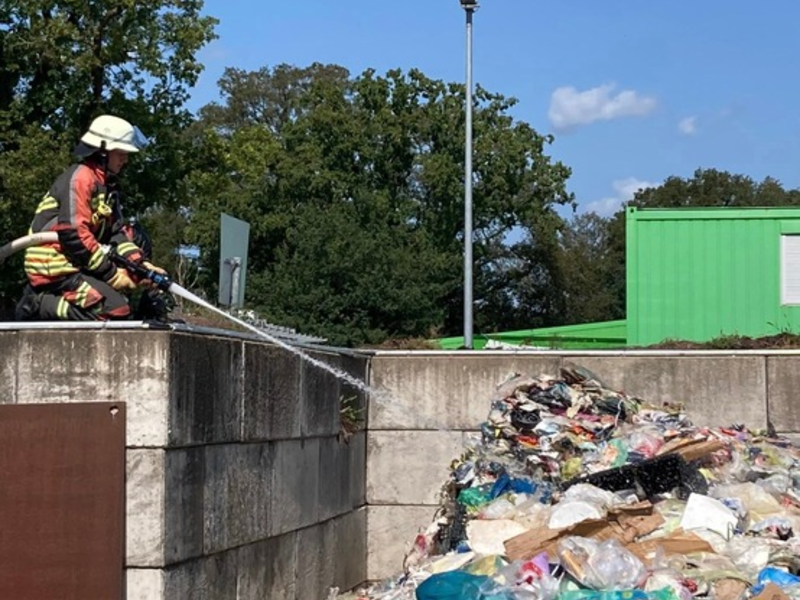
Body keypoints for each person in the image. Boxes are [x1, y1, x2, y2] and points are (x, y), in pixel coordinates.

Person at [15, 114, 166, 321]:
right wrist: (113, 275)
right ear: (103, 152)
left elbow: (117, 233)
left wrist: (140, 265)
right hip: (55, 266)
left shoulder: (106, 186)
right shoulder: (81, 179)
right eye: (121, 152)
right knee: (114, 312)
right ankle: (38, 304)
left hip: (76, 263)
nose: (126, 159)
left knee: (123, 310)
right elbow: (74, 236)